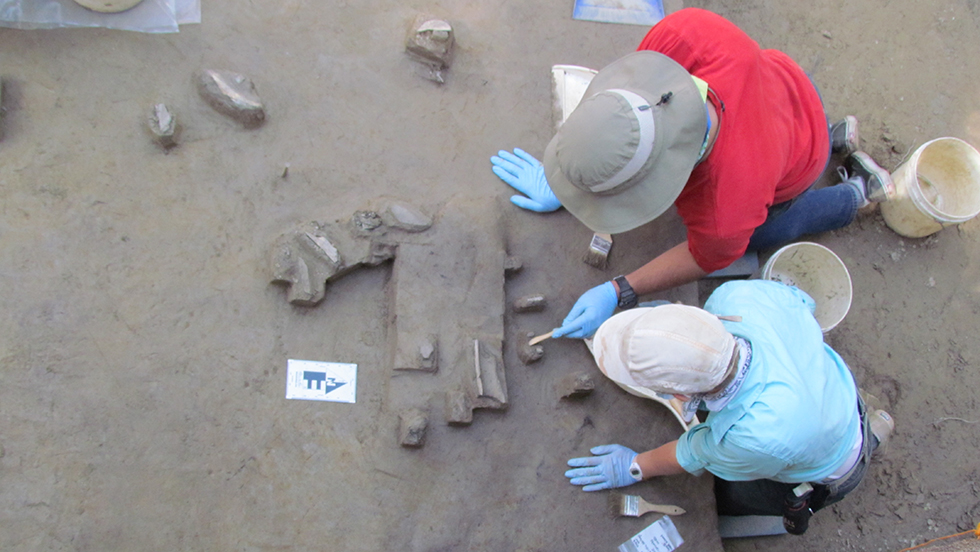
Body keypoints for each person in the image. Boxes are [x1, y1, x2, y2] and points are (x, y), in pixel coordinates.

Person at [490, 8, 895, 339]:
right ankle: (831, 133)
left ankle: (857, 193)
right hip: (790, 86)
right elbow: (616, 121)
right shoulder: (679, 35)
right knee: (794, 132)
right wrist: (572, 177)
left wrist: (619, 290)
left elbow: (705, 256)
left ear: (666, 179)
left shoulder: (727, 205)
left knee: (760, 231)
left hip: (793, 164)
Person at [562, 280, 895, 534]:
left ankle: (869, 443)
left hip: (829, 457)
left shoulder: (751, 436)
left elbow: (695, 452)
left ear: (676, 394)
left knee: (730, 493)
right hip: (831, 387)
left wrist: (635, 465)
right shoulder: (734, 298)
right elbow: (804, 303)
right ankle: (873, 426)